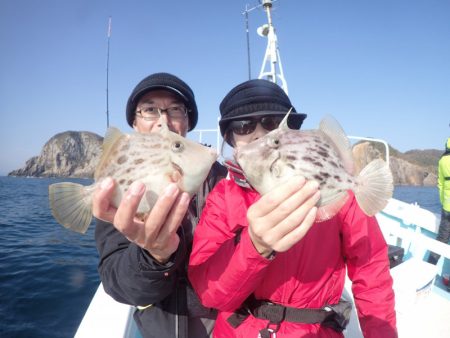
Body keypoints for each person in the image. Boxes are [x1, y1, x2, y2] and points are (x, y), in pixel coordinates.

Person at [188, 79, 397, 337]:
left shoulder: (337, 192)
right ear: (231, 139)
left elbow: (371, 270)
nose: (259, 134)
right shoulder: (223, 197)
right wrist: (254, 245)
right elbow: (210, 294)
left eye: (273, 124)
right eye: (243, 126)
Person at [93, 72, 227, 338]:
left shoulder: (223, 180)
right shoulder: (118, 184)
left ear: (187, 121)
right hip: (163, 327)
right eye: (150, 110)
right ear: (134, 122)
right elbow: (118, 285)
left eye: (175, 109)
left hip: (224, 324)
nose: (163, 121)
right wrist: (154, 257)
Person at [428, 137, 450, 266]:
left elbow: (440, 185)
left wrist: (444, 202)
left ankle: (429, 266)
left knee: (441, 239)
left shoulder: (442, 160)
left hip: (447, 206)